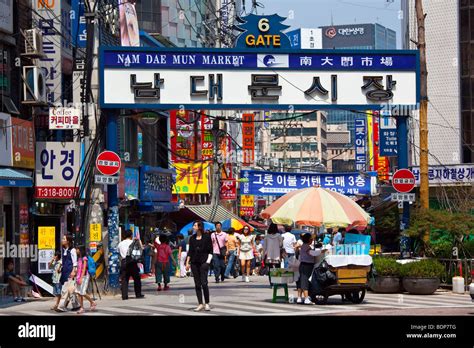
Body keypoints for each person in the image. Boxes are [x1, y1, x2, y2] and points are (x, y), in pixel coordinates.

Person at [186, 221, 213, 312]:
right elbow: (190, 252)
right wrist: (187, 263)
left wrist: (207, 262)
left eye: (195, 225)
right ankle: (200, 304)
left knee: (204, 283)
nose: (193, 227)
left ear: (199, 227)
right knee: (197, 284)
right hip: (194, 263)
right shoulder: (192, 238)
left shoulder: (207, 237)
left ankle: (207, 303)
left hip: (204, 262)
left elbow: (210, 251)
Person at [296, 233, 327, 305]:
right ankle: (306, 298)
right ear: (309, 240)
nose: (312, 240)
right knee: (305, 281)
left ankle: (299, 298)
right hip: (306, 265)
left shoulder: (303, 246)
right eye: (311, 239)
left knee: (301, 281)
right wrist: (321, 251)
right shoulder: (307, 247)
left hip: (303, 265)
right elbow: (313, 253)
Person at [118, 229, 144, 300]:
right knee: (137, 278)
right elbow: (141, 250)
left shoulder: (120, 244)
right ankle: (138, 294)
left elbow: (119, 253)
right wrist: (138, 241)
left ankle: (124, 296)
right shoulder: (134, 242)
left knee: (124, 279)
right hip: (133, 262)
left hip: (124, 262)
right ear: (131, 235)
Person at [57, 234, 78, 312]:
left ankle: (61, 306)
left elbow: (74, 262)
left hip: (70, 272)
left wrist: (73, 271)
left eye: (64, 239)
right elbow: (63, 261)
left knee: (65, 290)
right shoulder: (64, 250)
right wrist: (60, 268)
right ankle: (76, 305)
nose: (62, 240)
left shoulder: (72, 250)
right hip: (64, 272)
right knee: (71, 291)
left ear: (68, 241)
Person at [75, 246, 97, 314]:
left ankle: (92, 302)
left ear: (80, 250)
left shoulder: (84, 258)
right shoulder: (79, 258)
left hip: (84, 276)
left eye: (77, 249)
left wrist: (81, 278)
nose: (76, 250)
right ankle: (82, 308)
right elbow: (78, 268)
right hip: (79, 276)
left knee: (83, 292)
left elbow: (84, 269)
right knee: (78, 292)